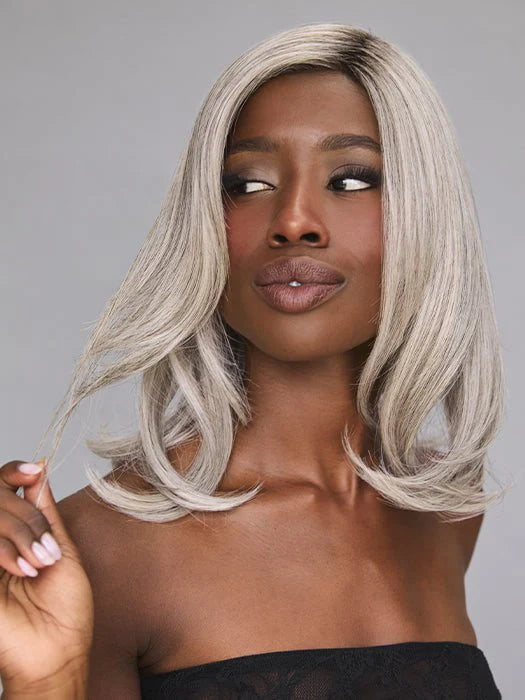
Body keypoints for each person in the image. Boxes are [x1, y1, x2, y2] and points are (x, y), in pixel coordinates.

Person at [0, 22, 505, 699]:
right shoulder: (105, 547)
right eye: (248, 183)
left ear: (425, 213)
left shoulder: (443, 516)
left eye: (351, 179)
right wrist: (45, 681)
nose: (293, 220)